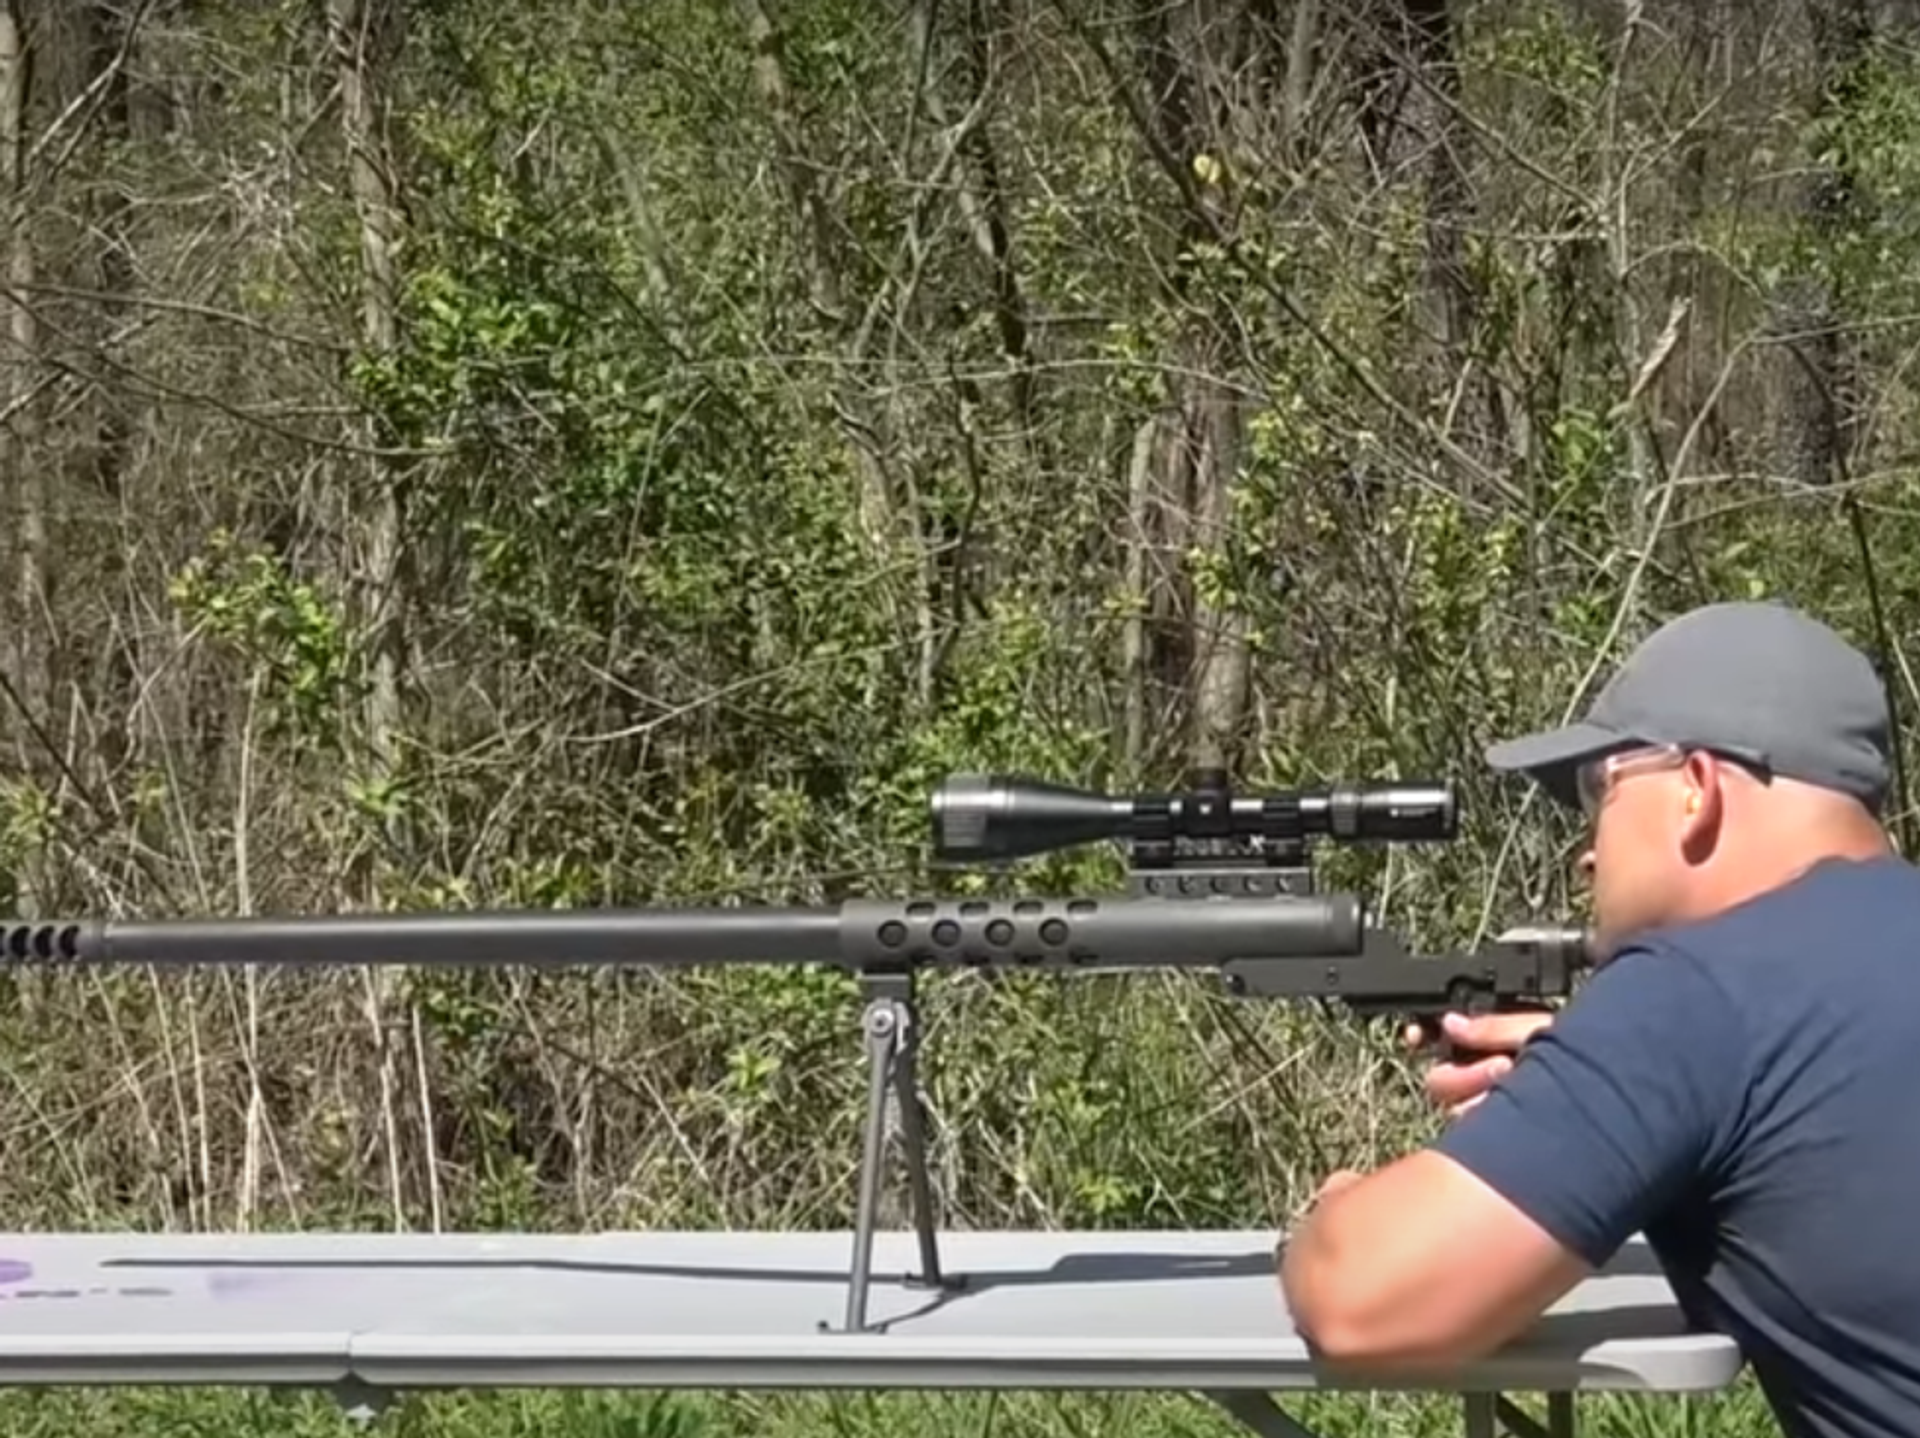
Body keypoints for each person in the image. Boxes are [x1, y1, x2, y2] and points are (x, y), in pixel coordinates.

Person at [1277, 599, 1920, 1437]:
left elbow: (1365, 1302)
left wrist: (1324, 1223)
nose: (1586, 850)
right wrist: (1601, 1092)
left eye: (1600, 790)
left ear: (1695, 790)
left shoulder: (1700, 989)